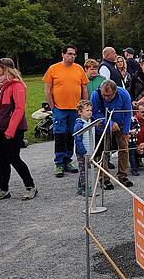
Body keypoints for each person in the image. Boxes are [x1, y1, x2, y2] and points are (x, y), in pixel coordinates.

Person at [0, 58, 38, 202]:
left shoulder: (16, 85)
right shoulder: (0, 85)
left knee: (13, 158)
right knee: (2, 159)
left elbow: (19, 109)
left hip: (13, 129)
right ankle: (3, 189)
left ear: (5, 69)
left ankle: (30, 186)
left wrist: (10, 130)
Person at [43, 45, 88, 178]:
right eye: (69, 54)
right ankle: (59, 163)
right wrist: (53, 107)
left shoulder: (79, 69)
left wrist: (84, 105)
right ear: (63, 54)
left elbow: (84, 88)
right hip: (60, 109)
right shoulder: (53, 69)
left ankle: (68, 160)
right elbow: (47, 89)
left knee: (71, 135)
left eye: (74, 54)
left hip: (74, 110)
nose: (72, 57)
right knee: (60, 136)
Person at [91, 80, 134, 188]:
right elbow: (95, 113)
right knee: (103, 150)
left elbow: (128, 112)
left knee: (124, 148)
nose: (106, 98)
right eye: (104, 95)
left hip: (121, 124)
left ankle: (123, 175)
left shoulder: (124, 94)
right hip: (103, 124)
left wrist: (125, 132)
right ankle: (104, 178)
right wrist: (109, 123)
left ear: (115, 92)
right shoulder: (96, 95)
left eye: (109, 96)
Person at [73, 99, 93, 196]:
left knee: (84, 170)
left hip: (89, 150)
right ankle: (86, 189)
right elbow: (78, 139)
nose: (90, 112)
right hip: (82, 152)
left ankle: (80, 187)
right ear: (80, 112)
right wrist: (83, 151)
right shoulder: (79, 125)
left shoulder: (91, 122)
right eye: (87, 110)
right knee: (83, 171)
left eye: (90, 110)